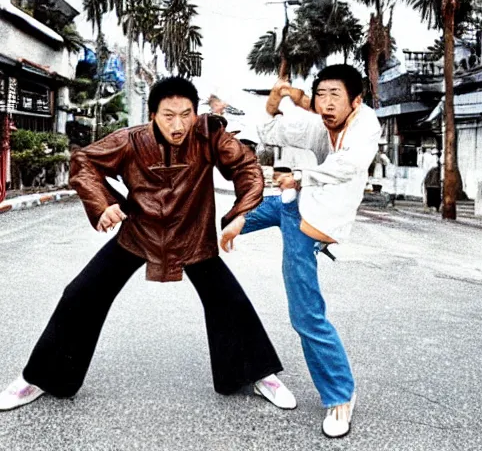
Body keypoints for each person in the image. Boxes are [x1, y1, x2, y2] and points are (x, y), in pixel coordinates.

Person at [0, 77, 295, 412]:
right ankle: (40, 378)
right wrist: (104, 203)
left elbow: (245, 166)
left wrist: (241, 212)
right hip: (139, 233)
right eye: (169, 115)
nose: (179, 124)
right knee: (81, 294)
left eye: (186, 114)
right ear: (153, 114)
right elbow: (84, 162)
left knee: (228, 300)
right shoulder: (130, 141)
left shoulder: (209, 134)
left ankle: (256, 374)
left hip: (193, 234)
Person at [220, 64, 381, 438]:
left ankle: (341, 396)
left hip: (310, 222)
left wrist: (301, 177)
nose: (326, 104)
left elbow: (350, 165)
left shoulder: (365, 125)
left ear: (355, 101)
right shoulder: (316, 125)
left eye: (335, 96)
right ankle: (253, 369)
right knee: (214, 226)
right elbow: (268, 129)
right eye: (320, 95)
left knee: (307, 317)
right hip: (290, 204)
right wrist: (276, 101)